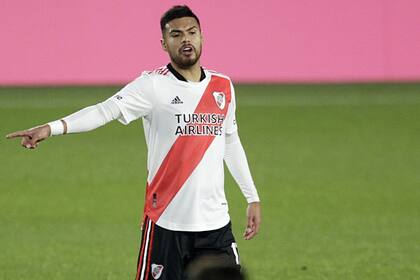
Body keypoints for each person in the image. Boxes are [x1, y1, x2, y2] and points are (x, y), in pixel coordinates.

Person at [6, 5, 261, 280]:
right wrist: (52, 128)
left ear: (202, 37)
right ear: (164, 43)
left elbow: (231, 141)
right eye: (176, 34)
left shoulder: (222, 86)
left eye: (192, 32)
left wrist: (252, 197)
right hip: (166, 222)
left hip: (216, 226)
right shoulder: (152, 86)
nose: (186, 39)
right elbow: (105, 111)